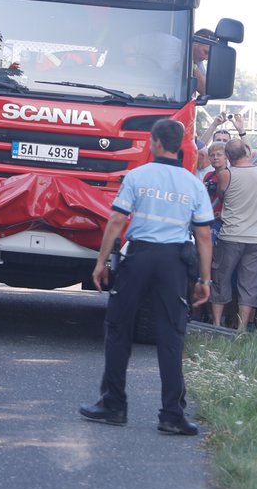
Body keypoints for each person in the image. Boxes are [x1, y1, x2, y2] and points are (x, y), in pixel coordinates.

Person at [79, 119, 214, 436]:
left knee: (118, 328)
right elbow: (204, 235)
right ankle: (171, 415)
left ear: (154, 142)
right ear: (180, 144)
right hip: (173, 264)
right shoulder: (193, 184)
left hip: (138, 258)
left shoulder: (138, 176)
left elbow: (116, 220)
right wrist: (204, 280)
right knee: (171, 335)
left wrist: (101, 261)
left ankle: (113, 405)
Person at [209, 138, 257, 330]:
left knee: (221, 278)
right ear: (247, 153)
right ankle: (242, 328)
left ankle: (216, 323)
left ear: (228, 157)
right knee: (250, 283)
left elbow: (222, 196)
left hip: (230, 235)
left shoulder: (226, 175)